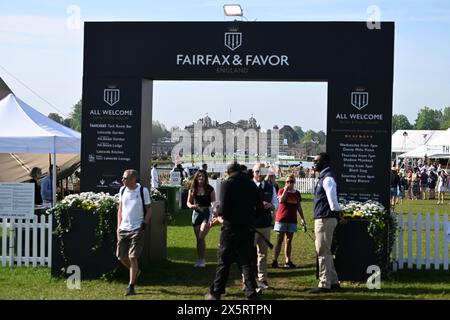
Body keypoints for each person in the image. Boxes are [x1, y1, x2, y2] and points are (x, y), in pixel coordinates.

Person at [206, 162, 264, 300]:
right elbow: (260, 208)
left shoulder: (227, 184)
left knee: (224, 261)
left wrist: (217, 211)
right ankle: (251, 292)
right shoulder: (250, 184)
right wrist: (250, 219)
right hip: (247, 229)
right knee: (246, 261)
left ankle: (217, 292)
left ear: (229, 172)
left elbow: (223, 209)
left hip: (230, 228)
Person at [309, 153, 341, 294]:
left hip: (325, 219)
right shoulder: (324, 177)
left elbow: (333, 203)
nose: (314, 163)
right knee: (325, 251)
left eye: (317, 161)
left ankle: (324, 283)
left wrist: (339, 213)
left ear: (325, 162)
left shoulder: (327, 179)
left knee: (322, 251)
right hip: (324, 218)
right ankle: (333, 282)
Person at [117, 169, 152, 296]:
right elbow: (120, 210)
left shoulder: (143, 191)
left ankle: (131, 286)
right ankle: (135, 271)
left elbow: (149, 209)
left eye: (125, 178)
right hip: (123, 228)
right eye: (123, 178)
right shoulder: (122, 190)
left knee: (133, 257)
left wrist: (144, 223)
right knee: (121, 257)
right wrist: (118, 227)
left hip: (137, 228)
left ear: (133, 179)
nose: (122, 180)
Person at [252, 163, 279, 290]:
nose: (260, 174)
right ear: (253, 172)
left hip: (265, 225)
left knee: (263, 254)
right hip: (251, 226)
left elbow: (276, 203)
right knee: (248, 254)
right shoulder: (249, 186)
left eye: (262, 171)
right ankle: (248, 281)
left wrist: (271, 206)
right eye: (257, 171)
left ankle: (263, 280)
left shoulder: (270, 187)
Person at [272, 174, 306, 268]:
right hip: (281, 219)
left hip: (292, 220)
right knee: (279, 240)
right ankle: (275, 260)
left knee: (288, 240)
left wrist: (302, 218)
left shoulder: (297, 193)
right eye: (287, 181)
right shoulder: (281, 190)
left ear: (294, 182)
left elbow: (299, 207)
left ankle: (288, 261)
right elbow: (281, 201)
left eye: (291, 181)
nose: (289, 183)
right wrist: (286, 191)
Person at [186, 169, 216, 267]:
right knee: (198, 239)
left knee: (201, 236)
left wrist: (214, 214)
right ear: (196, 177)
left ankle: (202, 260)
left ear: (205, 178)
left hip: (206, 213)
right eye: (199, 176)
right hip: (196, 214)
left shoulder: (210, 189)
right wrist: (192, 206)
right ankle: (199, 259)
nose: (201, 178)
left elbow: (214, 203)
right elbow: (188, 202)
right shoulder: (192, 189)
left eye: (202, 176)